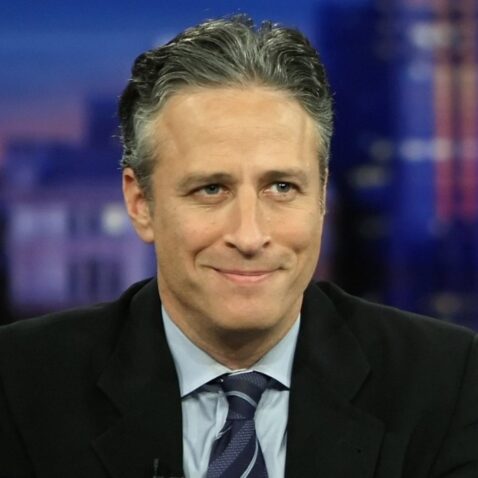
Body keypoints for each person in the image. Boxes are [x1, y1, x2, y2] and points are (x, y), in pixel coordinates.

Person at [0, 15, 477, 478]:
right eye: (211, 189)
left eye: (282, 187)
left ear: (322, 198)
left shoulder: (448, 381)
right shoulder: (19, 382)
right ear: (141, 203)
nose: (249, 236)